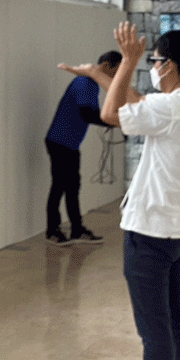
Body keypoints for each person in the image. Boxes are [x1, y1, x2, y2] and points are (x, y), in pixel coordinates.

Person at [62, 23, 180, 360]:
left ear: (170, 67)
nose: (152, 68)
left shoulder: (171, 108)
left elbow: (111, 115)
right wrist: (100, 75)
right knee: (179, 316)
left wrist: (126, 61)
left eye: (155, 62)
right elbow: (140, 102)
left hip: (149, 232)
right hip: (176, 230)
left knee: (154, 328)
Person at [45, 50, 122, 246]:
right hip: (60, 142)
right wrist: (116, 122)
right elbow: (87, 114)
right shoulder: (85, 83)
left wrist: (114, 120)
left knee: (72, 188)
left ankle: (77, 230)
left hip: (69, 143)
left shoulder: (91, 84)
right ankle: (52, 231)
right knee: (60, 187)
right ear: (106, 66)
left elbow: (93, 113)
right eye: (115, 72)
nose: (114, 78)